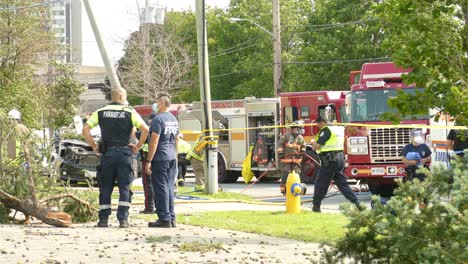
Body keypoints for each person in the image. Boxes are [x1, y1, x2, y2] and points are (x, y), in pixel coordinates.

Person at [83, 87, 149, 228]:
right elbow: (145, 129)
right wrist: (137, 146)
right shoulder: (130, 112)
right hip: (125, 154)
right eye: (125, 97)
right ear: (121, 97)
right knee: (124, 186)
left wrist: (94, 146)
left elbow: (85, 129)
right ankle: (123, 220)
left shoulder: (100, 112)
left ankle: (103, 220)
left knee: (105, 186)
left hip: (107, 154)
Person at [311, 116, 361, 213]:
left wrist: (313, 145)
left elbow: (317, 146)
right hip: (339, 160)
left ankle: (316, 207)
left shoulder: (326, 130)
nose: (317, 127)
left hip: (330, 161)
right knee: (342, 184)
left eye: (317, 124)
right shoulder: (338, 129)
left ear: (322, 123)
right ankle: (357, 203)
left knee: (320, 184)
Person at [145, 93, 179, 228]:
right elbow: (177, 139)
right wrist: (175, 156)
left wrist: (148, 161)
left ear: (161, 103)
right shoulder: (173, 119)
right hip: (171, 156)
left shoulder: (158, 120)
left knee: (161, 188)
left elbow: (154, 142)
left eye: (156, 102)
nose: (155, 105)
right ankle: (171, 217)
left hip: (160, 158)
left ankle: (164, 218)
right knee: (170, 187)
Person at [277, 120, 306, 195]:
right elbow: (280, 144)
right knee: (286, 175)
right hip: (286, 160)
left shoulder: (300, 138)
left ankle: (297, 190)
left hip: (296, 161)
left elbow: (303, 146)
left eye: (299, 129)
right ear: (292, 128)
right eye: (297, 128)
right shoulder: (286, 136)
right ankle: (284, 190)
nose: (298, 130)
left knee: (297, 175)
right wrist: (280, 153)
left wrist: (302, 151)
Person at [138, 112, 157, 214]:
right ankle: (159, 207)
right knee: (158, 184)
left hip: (147, 159)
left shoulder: (147, 131)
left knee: (148, 184)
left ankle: (149, 207)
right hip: (159, 160)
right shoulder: (160, 127)